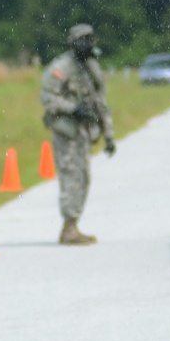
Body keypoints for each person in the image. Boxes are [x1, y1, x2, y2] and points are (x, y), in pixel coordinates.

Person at [40, 22, 115, 245]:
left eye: (90, 39)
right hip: (66, 131)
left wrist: (109, 135)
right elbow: (47, 97)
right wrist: (72, 108)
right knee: (70, 176)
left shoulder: (91, 68)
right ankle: (69, 227)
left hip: (83, 132)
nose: (88, 44)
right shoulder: (62, 67)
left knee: (83, 178)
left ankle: (72, 225)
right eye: (83, 39)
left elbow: (100, 102)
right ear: (73, 43)